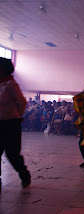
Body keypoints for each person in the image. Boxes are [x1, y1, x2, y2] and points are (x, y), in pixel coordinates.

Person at [0, 57, 31, 188]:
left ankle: (24, 174)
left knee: (12, 153)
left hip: (11, 123)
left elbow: (22, 102)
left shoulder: (11, 84)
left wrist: (18, 115)